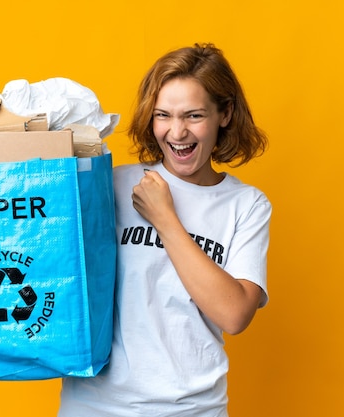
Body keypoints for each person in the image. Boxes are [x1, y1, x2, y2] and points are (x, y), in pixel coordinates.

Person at [58, 43, 272, 417]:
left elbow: (235, 314)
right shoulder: (111, 185)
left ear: (225, 114)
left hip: (192, 409)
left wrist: (165, 219)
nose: (177, 132)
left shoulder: (247, 205)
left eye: (193, 115)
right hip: (95, 406)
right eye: (163, 115)